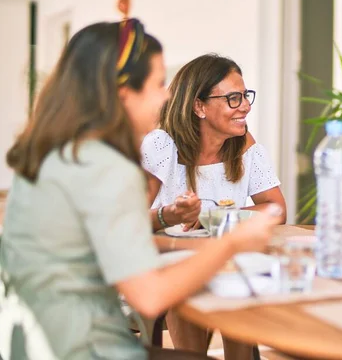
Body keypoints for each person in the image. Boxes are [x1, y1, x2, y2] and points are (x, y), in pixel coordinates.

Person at [0, 19, 280, 360]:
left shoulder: (56, 154)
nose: (166, 96)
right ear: (122, 95)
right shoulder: (105, 167)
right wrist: (232, 244)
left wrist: (169, 218)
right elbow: (150, 296)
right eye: (158, 84)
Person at [141, 53, 287, 356]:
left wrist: (211, 215)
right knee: (189, 284)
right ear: (199, 106)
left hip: (225, 263)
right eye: (233, 98)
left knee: (239, 281)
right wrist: (170, 215)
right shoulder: (161, 145)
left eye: (245, 96)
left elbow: (276, 209)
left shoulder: (243, 143)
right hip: (166, 265)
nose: (245, 106)